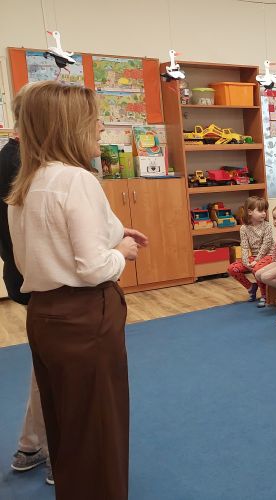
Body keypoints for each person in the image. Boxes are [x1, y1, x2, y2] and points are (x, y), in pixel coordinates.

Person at [7, 80, 147, 498]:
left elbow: (35, 254)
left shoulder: (27, 183)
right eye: (95, 119)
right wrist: (121, 252)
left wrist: (114, 231)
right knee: (99, 429)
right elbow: (93, 267)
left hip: (45, 314)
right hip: (86, 316)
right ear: (68, 126)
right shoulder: (76, 179)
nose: (101, 127)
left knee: (66, 424)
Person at [2, 130, 52, 485]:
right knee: (56, 369)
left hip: (27, 275)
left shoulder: (13, 158)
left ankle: (32, 444)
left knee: (46, 363)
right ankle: (57, 452)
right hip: (44, 281)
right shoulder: (24, 163)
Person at [228, 196, 274, 303]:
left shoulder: (267, 226)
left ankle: (264, 295)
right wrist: (245, 262)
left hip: (269, 256)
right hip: (254, 257)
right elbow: (244, 246)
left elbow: (266, 245)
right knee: (232, 268)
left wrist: (256, 260)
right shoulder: (244, 228)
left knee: (256, 268)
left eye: (265, 211)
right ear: (249, 212)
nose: (264, 213)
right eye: (260, 211)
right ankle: (251, 287)